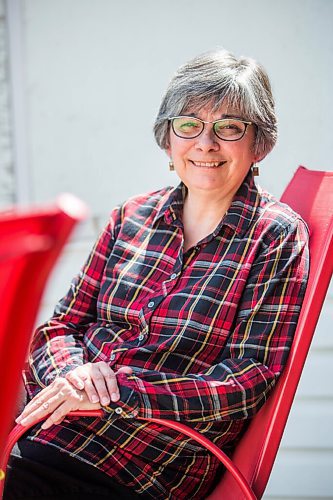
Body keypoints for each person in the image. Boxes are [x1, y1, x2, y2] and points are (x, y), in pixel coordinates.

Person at [4, 48, 309, 500]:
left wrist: (119, 392)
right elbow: (60, 326)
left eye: (229, 127)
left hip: (141, 462)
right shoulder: (130, 216)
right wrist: (75, 376)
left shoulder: (275, 236)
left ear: (260, 143)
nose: (206, 143)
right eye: (189, 125)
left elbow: (247, 379)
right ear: (168, 138)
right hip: (49, 424)